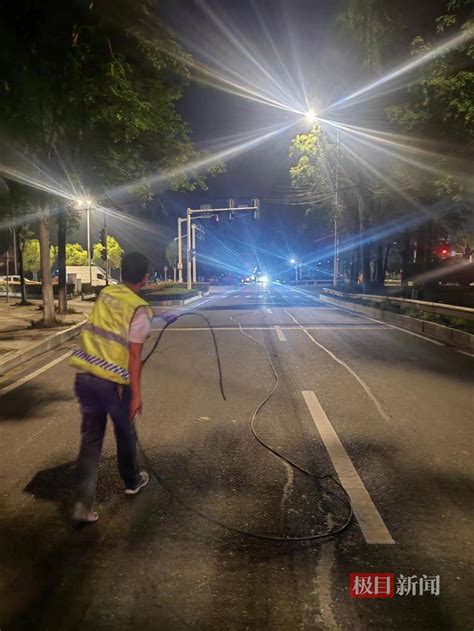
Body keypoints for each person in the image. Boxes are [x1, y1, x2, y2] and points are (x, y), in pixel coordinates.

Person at [70, 252, 153, 524]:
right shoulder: (139, 309)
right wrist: (136, 396)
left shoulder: (106, 294)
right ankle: (132, 480)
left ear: (121, 272)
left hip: (85, 377)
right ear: (145, 277)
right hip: (113, 385)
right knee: (125, 431)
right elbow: (133, 358)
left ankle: (83, 506)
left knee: (91, 440)